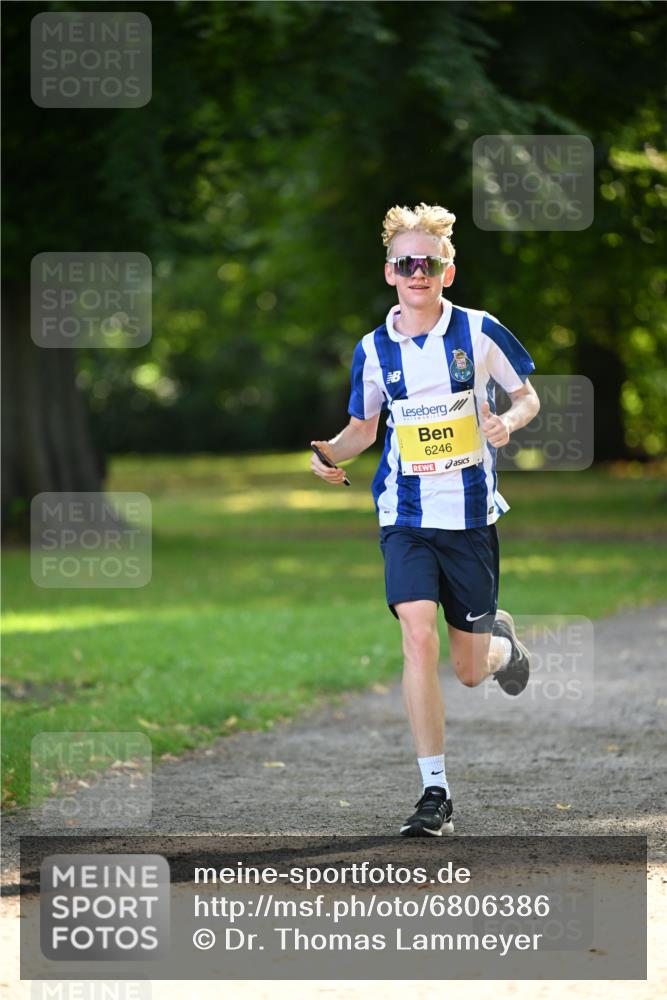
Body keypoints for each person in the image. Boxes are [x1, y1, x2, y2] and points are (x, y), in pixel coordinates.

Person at [311, 202, 540, 837]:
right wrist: (326, 455)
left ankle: (502, 647)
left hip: (468, 517)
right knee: (417, 634)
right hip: (404, 514)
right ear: (389, 273)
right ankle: (434, 789)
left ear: (448, 270)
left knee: (468, 670)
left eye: (429, 263)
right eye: (407, 263)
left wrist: (507, 422)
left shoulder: (479, 331)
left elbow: (527, 395)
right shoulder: (373, 349)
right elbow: (363, 429)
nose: (418, 272)